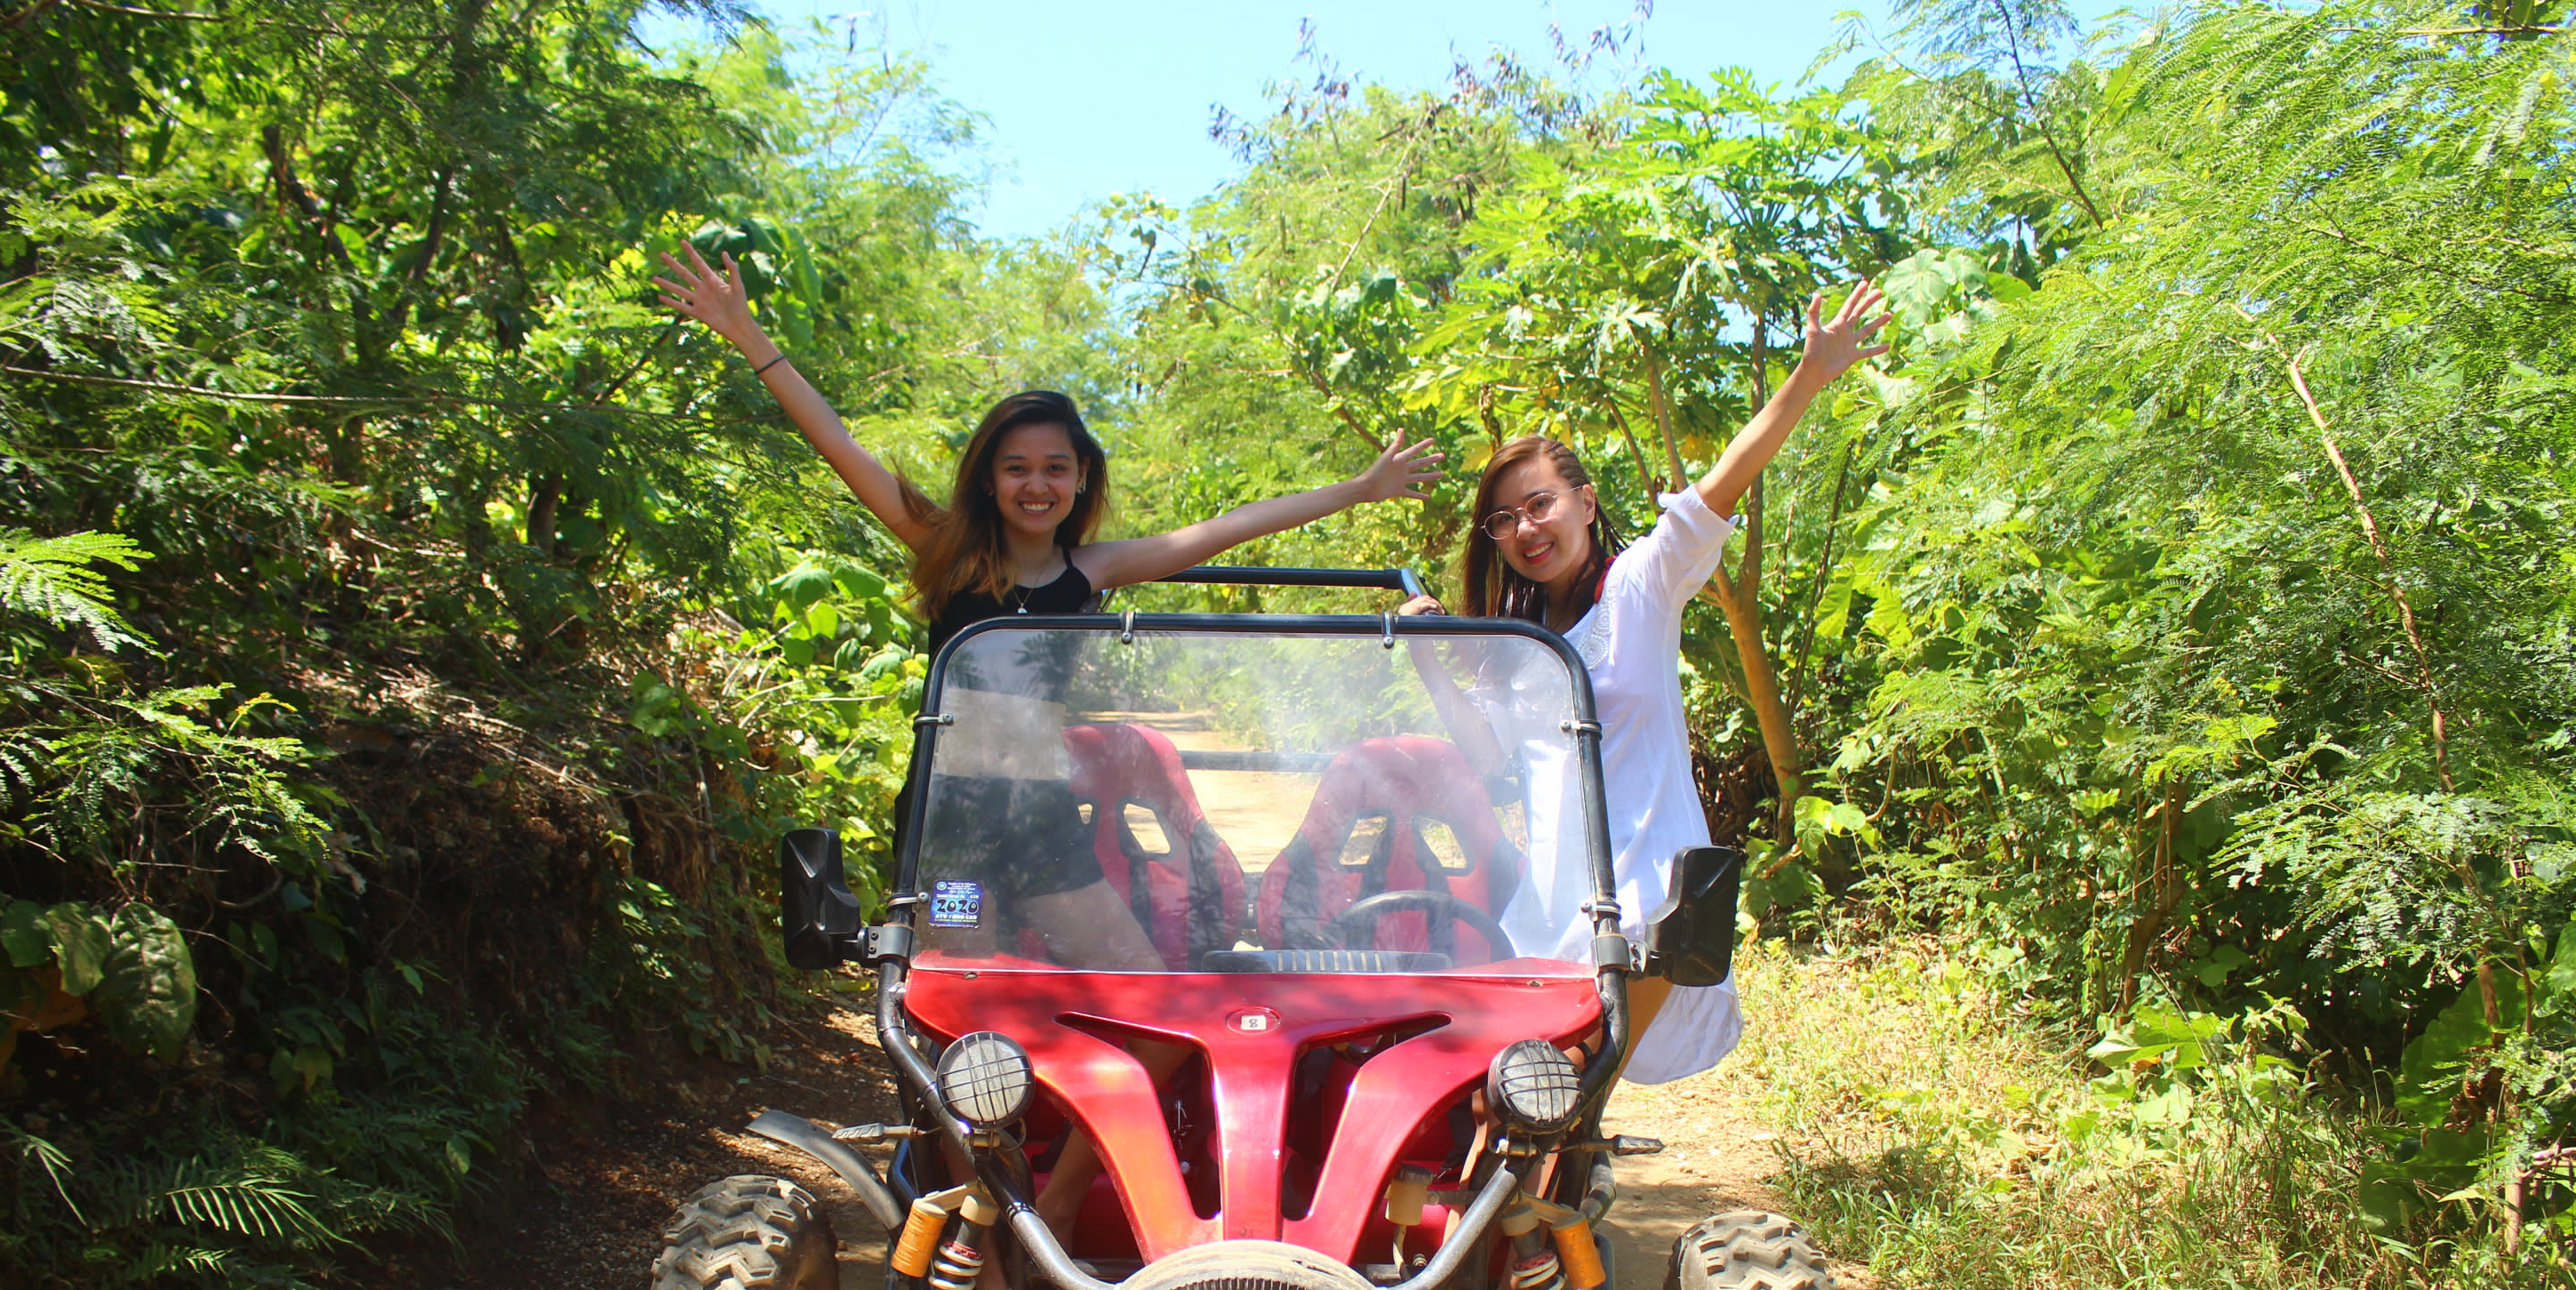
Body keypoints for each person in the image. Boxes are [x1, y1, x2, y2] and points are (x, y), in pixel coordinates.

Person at [652, 238, 1440, 1230]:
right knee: (954, 1025)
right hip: (954, 826)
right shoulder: (945, 551)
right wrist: (748, 335)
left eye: (1055, 469)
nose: (1036, 484)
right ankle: (975, 1226)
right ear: (989, 478)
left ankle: (1057, 1201)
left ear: (1080, 481)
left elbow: (1227, 529)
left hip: (1041, 823)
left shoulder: (1091, 572)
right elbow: (838, 443)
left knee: (1162, 1009)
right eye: (1017, 467)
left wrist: (1357, 490)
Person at [1404, 279, 1891, 1084]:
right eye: (1504, 519)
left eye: (1539, 505)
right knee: (1517, 1102)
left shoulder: (1638, 587)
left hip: (1647, 903)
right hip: (1551, 907)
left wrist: (1809, 374)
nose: (1524, 529)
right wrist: (1431, 657)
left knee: (1544, 1092)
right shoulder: (1518, 640)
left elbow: (1718, 489)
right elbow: (1487, 758)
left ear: (1586, 502)